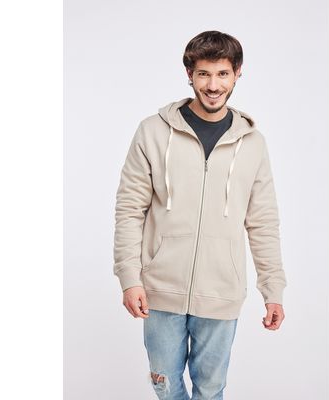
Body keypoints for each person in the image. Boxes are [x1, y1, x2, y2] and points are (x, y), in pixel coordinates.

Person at [113, 30, 287, 399]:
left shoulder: (252, 143)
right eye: (204, 74)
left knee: (210, 390)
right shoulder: (152, 131)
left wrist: (273, 290)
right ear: (189, 74)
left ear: (237, 73)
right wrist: (130, 278)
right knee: (165, 387)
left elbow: (263, 223)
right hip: (159, 290)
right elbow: (129, 209)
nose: (213, 85)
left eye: (223, 74)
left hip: (222, 291)